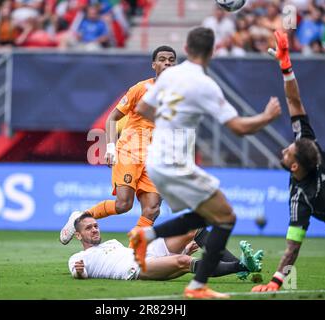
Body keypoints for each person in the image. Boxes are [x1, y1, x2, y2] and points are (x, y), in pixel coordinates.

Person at [129, 27, 282, 299]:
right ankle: (197, 286)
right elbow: (238, 128)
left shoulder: (169, 76)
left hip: (155, 159)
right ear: (212, 52)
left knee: (207, 214)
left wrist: (170, 119)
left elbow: (143, 109)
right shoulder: (205, 85)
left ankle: (146, 236)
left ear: (186, 50)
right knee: (226, 217)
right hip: (175, 161)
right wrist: (266, 117)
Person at [252, 30, 325, 292]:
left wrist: (286, 67)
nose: (284, 149)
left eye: (287, 151)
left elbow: (293, 247)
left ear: (294, 166)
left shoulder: (302, 185)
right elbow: (294, 100)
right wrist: (286, 67)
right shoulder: (307, 168)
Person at [60, 46, 177, 247]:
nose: (167, 63)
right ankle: (82, 217)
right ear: (154, 65)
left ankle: (131, 255)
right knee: (124, 204)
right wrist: (111, 148)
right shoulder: (140, 89)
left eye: (171, 60)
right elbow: (113, 118)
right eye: (163, 59)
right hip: (130, 151)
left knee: (153, 209)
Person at [69, 213, 263, 281]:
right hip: (136, 268)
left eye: (96, 225)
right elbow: (80, 273)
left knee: (193, 229)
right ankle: (242, 266)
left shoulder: (112, 243)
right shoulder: (79, 258)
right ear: (78, 235)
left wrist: (183, 247)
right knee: (184, 262)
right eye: (89, 228)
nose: (95, 230)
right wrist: (79, 272)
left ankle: (239, 263)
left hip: (146, 254)